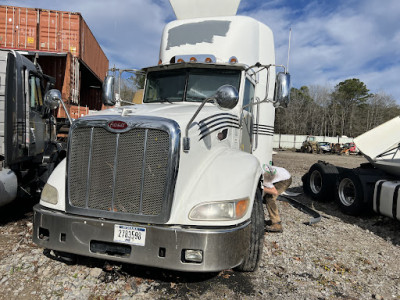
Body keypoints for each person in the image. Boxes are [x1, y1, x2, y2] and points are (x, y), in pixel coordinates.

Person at [262, 164, 292, 233]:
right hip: (282, 173)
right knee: (266, 197)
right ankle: (273, 220)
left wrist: (261, 188)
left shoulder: (265, 177)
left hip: (285, 179)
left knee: (269, 198)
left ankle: (277, 224)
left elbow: (274, 192)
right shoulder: (258, 168)